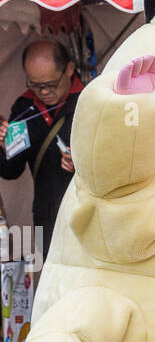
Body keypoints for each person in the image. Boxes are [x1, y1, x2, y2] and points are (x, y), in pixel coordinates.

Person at [0, 38, 82, 259]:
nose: (43, 92)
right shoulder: (24, 107)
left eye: (50, 84)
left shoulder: (89, 101)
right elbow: (10, 170)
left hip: (85, 214)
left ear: (69, 69)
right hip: (46, 216)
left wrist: (83, 165)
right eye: (35, 85)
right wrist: (2, 144)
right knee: (50, 280)